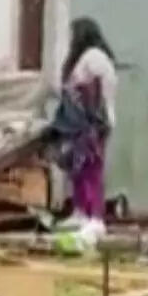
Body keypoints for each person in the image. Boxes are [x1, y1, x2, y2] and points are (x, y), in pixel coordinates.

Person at [53, 17, 118, 223]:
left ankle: (95, 217)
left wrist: (92, 121)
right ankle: (81, 211)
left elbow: (97, 89)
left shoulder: (94, 57)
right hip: (78, 123)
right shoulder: (83, 59)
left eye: (73, 35)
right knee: (78, 168)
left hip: (92, 123)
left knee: (91, 169)